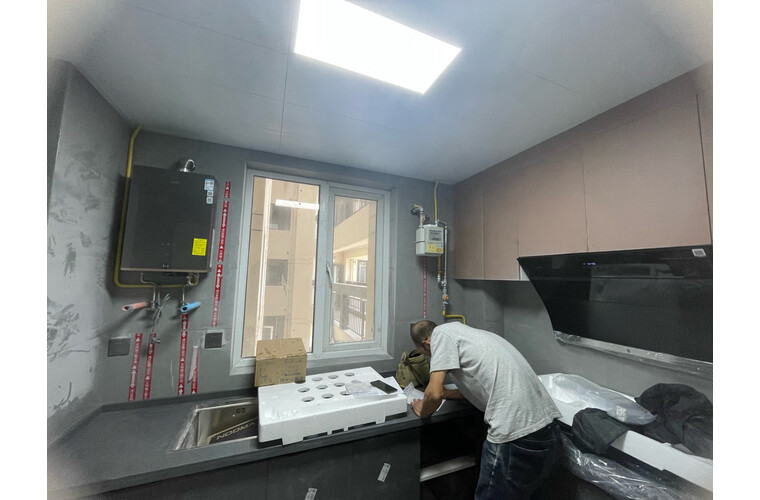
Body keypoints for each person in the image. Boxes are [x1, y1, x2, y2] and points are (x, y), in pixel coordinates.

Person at [410, 320, 563, 499]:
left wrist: (423, 410)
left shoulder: (441, 335)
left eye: (427, 355)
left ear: (426, 343)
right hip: (547, 430)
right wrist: (447, 393)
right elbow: (482, 387)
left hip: (514, 433)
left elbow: (433, 394)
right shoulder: (472, 335)